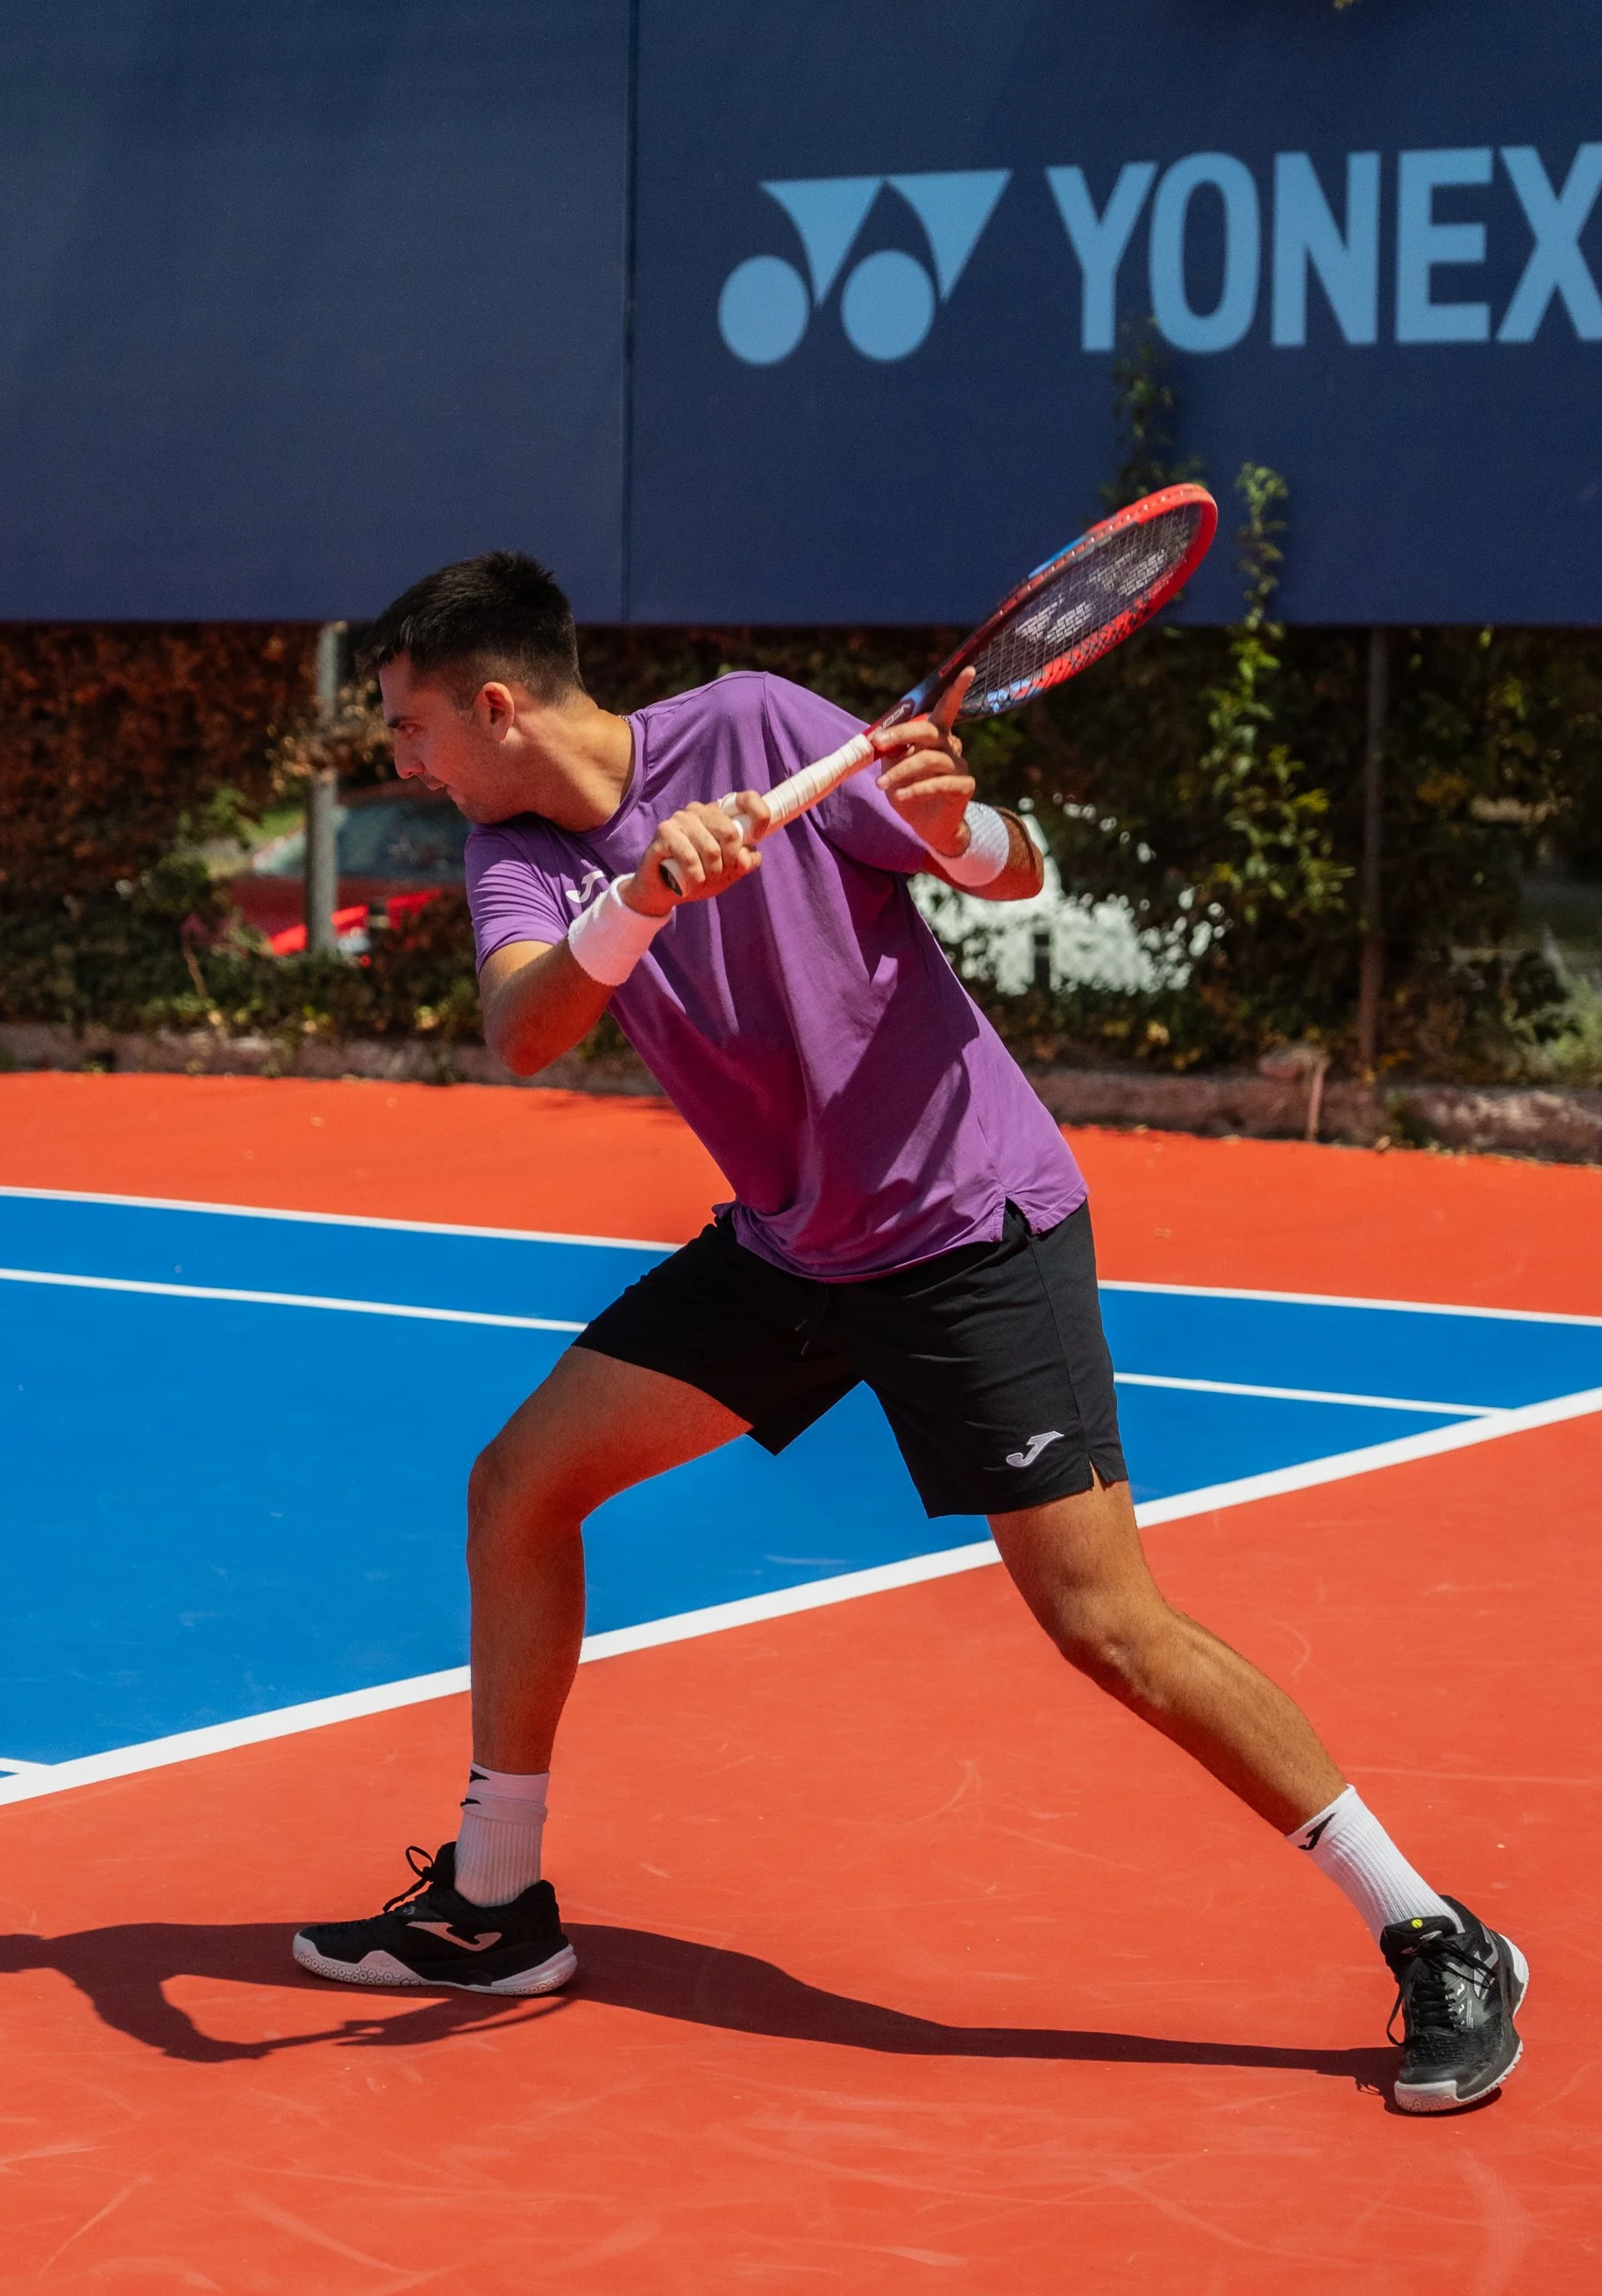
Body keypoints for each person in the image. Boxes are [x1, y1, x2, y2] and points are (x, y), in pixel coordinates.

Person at [292, 549, 1527, 2115]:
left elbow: (1002, 864)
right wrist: (649, 892)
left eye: (407, 730)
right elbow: (528, 1027)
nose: (399, 761)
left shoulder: (751, 724)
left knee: (1106, 1624)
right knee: (519, 1484)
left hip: (965, 1234)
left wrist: (968, 828)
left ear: (493, 705)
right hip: (793, 1247)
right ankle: (496, 1900)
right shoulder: (518, 855)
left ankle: (1436, 1931)